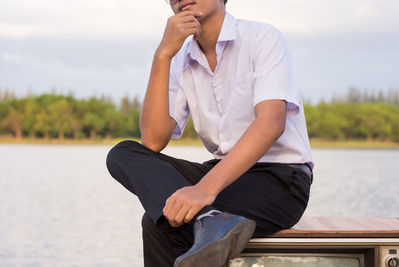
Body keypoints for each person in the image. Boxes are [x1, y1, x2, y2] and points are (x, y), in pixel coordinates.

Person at [106, 0, 313, 266]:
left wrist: (203, 191)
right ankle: (210, 219)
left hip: (280, 180)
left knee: (158, 221)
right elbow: (153, 141)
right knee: (123, 153)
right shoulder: (180, 58)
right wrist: (163, 55)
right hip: (223, 174)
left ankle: (208, 217)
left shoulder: (262, 37)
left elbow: (272, 123)